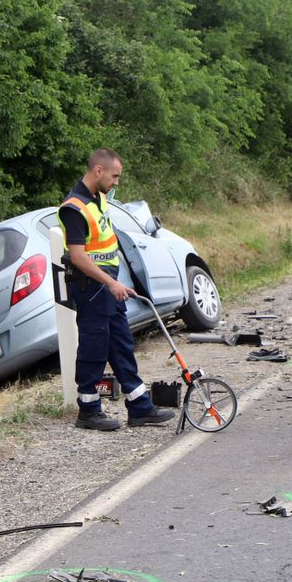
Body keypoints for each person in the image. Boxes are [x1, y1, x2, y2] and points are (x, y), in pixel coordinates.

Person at [59, 148, 175, 431]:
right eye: (115, 176)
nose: (117, 182)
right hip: (91, 288)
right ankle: (88, 411)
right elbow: (78, 257)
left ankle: (140, 407)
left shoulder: (99, 198)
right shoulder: (73, 208)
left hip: (108, 285)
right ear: (98, 170)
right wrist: (111, 282)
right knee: (94, 349)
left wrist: (118, 280)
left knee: (121, 344)